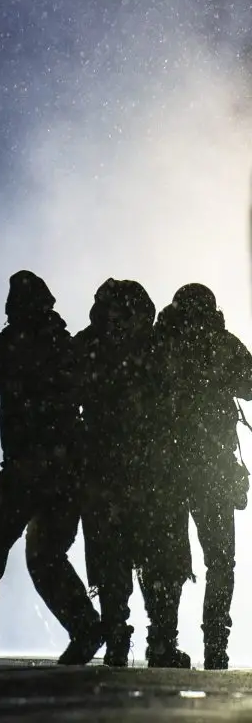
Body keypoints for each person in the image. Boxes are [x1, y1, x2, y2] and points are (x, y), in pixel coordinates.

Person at [0, 271, 102, 666]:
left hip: (26, 470)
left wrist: (9, 350)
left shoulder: (14, 343)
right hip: (65, 471)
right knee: (47, 557)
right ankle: (85, 626)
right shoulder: (66, 345)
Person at [152, 284, 252, 670]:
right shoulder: (221, 344)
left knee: (168, 561)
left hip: (169, 470)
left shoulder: (163, 344)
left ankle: (162, 641)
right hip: (210, 469)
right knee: (220, 561)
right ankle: (215, 644)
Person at [72, 279, 157, 667]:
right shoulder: (150, 345)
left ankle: (121, 633)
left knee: (114, 554)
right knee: (142, 553)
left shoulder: (90, 344)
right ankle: (151, 637)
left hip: (114, 463)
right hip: (137, 464)